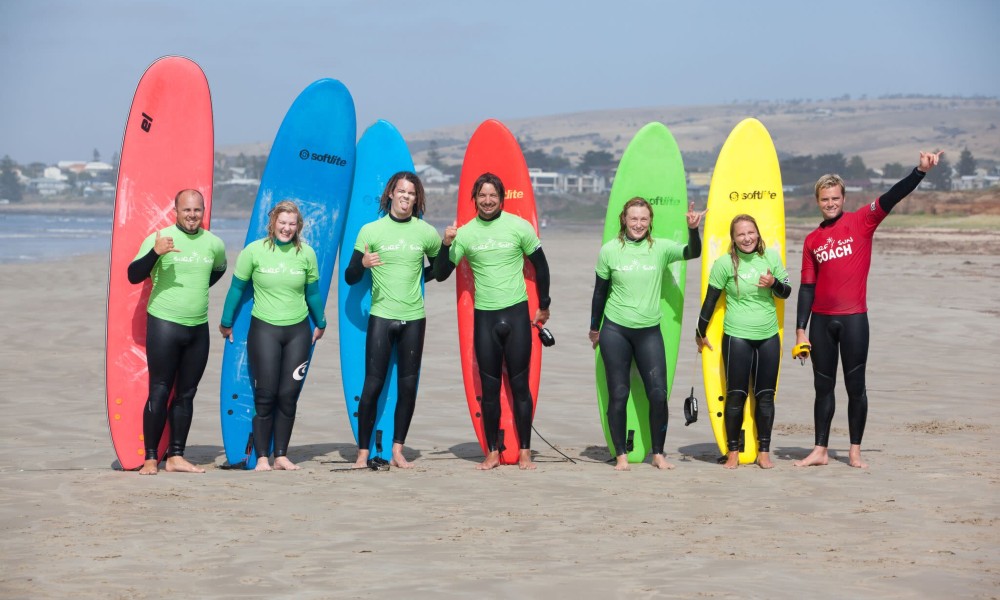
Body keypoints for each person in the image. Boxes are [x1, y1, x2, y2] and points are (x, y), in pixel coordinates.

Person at [793, 151, 943, 469]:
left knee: (855, 387)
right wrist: (800, 329)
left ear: (843, 198)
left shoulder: (862, 221)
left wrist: (920, 171)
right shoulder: (812, 240)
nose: (830, 203)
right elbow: (807, 287)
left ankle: (854, 450)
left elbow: (892, 196)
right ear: (817, 201)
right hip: (820, 321)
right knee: (823, 388)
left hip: (854, 320)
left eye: (835, 198)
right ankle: (820, 449)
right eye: (824, 199)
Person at [433, 172, 551, 470]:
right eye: (482, 196)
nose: (487, 201)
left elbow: (541, 265)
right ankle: (493, 452)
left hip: (516, 315)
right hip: (485, 318)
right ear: (475, 199)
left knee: (520, 385)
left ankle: (524, 450)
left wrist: (545, 305)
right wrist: (446, 244)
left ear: (501, 198)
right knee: (489, 389)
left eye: (493, 196)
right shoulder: (467, 233)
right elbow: (442, 272)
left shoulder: (518, 227)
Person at [589, 197, 704, 471]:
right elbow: (599, 292)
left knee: (657, 394)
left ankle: (659, 453)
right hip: (615, 330)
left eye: (643, 219)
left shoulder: (661, 249)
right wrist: (595, 328)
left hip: (649, 332)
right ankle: (620, 456)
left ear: (650, 221)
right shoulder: (610, 251)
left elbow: (693, 253)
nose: (638, 224)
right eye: (633, 218)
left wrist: (693, 229)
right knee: (618, 394)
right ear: (624, 220)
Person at [344, 172, 443, 469]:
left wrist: (446, 247)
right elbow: (350, 276)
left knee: (408, 386)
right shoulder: (371, 231)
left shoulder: (425, 232)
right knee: (372, 384)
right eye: (401, 191)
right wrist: (362, 264)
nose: (406, 197)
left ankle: (397, 450)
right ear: (390, 194)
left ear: (417, 198)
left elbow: (439, 268)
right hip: (381, 317)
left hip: (414, 318)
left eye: (411, 194)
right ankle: (362, 452)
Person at [219, 200, 326, 472]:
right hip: (264, 329)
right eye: (282, 222)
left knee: (289, 395)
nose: (287, 228)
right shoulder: (254, 252)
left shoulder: (307, 254)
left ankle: (281, 455)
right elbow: (236, 289)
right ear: (273, 223)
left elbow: (312, 293)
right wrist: (226, 321)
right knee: (265, 395)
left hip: (297, 331)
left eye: (292, 224)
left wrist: (321, 322)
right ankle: (263, 457)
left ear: (298, 226)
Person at [127, 189, 227, 475]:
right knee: (159, 390)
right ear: (176, 210)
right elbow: (133, 275)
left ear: (203, 210)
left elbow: (217, 271)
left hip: (198, 328)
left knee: (186, 394)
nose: (192, 216)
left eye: (197, 210)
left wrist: (194, 290)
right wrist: (154, 254)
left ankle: (176, 456)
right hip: (164, 325)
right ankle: (149, 459)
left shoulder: (214, 243)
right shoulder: (159, 238)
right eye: (187, 210)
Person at [695, 214, 790, 469]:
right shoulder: (724, 264)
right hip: (736, 336)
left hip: (768, 336)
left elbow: (787, 291)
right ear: (733, 238)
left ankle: (764, 451)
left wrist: (773, 283)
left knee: (766, 396)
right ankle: (733, 451)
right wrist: (699, 332)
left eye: (751, 233)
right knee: (735, 396)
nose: (747, 238)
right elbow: (710, 301)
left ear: (757, 233)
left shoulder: (771, 257)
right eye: (741, 234)